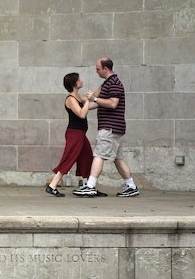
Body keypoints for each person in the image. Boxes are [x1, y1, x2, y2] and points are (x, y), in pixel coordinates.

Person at [73, 57, 139, 197]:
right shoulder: (107, 83)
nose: (96, 71)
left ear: (105, 69)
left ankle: (90, 186)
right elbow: (96, 102)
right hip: (115, 127)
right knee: (117, 158)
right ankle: (131, 186)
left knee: (98, 155)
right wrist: (79, 103)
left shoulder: (114, 83)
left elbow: (112, 103)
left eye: (97, 69)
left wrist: (94, 99)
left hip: (110, 127)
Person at [45, 73, 95, 197]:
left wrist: (95, 97)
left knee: (87, 157)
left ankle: (87, 186)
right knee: (69, 158)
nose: (81, 81)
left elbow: (94, 103)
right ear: (74, 84)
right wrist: (88, 101)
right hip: (74, 133)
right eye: (79, 80)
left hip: (81, 133)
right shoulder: (71, 99)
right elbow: (82, 114)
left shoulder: (79, 97)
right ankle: (52, 185)